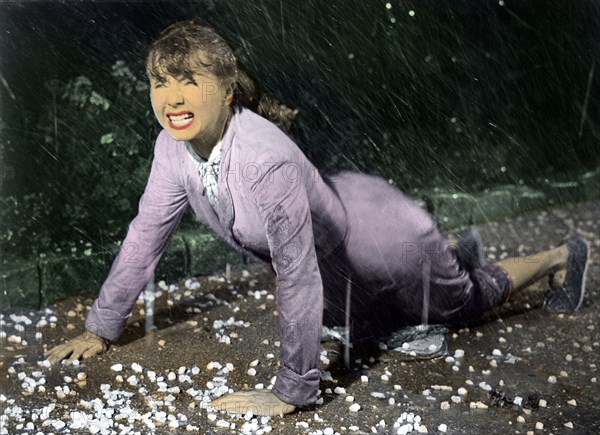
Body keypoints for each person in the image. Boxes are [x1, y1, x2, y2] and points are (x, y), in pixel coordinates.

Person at [45, 19, 590, 416]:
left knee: (465, 304)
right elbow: (146, 235)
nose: (172, 97)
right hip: (338, 248)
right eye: (160, 82)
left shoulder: (265, 157)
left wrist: (292, 389)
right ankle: (451, 257)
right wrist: (102, 327)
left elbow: (296, 271)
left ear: (227, 91)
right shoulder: (171, 147)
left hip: (383, 239)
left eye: (188, 80)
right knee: (375, 327)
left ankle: (559, 256)